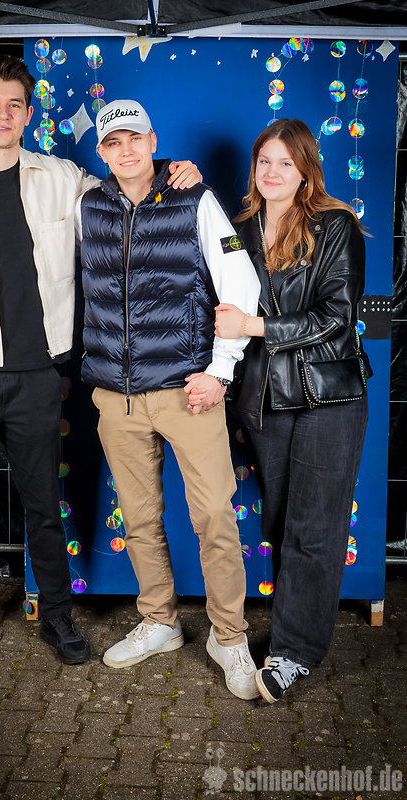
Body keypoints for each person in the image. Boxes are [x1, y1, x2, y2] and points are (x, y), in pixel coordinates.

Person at [0, 56, 199, 668]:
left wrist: (172, 170)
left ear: (29, 114)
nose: (3, 114)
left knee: (42, 505)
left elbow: (125, 190)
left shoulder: (62, 178)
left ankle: (57, 616)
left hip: (37, 374)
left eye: (15, 104)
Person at [75, 99, 262, 700]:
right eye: (113, 142)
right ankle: (160, 622)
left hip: (189, 391)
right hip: (117, 396)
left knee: (214, 517)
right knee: (139, 517)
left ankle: (228, 637)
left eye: (135, 138)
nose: (125, 150)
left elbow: (241, 283)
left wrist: (221, 371)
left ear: (153, 141)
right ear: (101, 152)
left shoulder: (194, 198)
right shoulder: (87, 205)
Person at [203, 118, 370, 703]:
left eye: (286, 163)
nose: (272, 172)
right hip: (267, 400)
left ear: (305, 172)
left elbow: (336, 319)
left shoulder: (335, 225)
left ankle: (293, 652)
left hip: (329, 396)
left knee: (314, 528)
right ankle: (292, 627)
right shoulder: (239, 230)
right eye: (264, 161)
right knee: (280, 523)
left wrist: (253, 326)